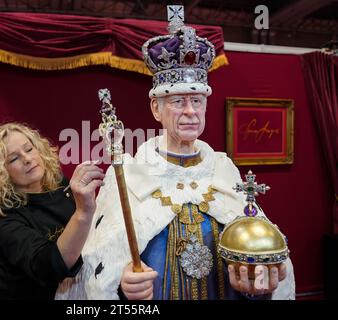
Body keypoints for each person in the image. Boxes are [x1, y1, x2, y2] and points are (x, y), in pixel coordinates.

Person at [55, 9, 295, 300]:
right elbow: (100, 265)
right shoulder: (130, 175)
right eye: (178, 101)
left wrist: (261, 278)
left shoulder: (224, 170)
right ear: (156, 109)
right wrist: (122, 284)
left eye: (197, 100)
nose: (190, 111)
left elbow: (261, 256)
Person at [0, 122, 104, 299]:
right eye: (13, 159)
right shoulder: (4, 219)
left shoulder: (61, 184)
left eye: (29, 149)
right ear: (0, 172)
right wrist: (83, 212)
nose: (27, 159)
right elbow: (51, 267)